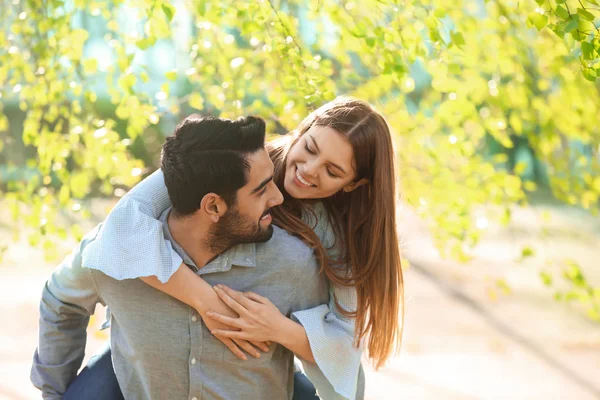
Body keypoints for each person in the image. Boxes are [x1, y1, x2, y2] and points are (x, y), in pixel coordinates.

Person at [80, 97, 404, 399]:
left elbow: (344, 349)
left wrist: (279, 329)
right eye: (310, 147)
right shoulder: (235, 162)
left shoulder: (337, 239)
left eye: (332, 171)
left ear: (353, 184)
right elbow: (120, 227)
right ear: (303, 129)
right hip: (149, 343)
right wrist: (207, 301)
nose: (309, 169)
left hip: (254, 362)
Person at [31, 116, 337, 399]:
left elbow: (338, 359)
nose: (278, 197)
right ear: (214, 207)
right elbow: (61, 301)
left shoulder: (292, 265)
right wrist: (55, 392)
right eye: (261, 191)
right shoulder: (112, 257)